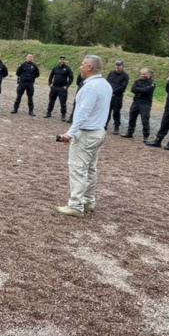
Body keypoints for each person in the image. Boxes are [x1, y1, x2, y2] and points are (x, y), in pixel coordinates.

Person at [56, 55, 113, 218]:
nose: (80, 67)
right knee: (90, 169)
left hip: (87, 133)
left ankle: (75, 205)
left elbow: (83, 113)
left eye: (82, 64)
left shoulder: (90, 87)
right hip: (98, 132)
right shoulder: (105, 85)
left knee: (78, 169)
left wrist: (69, 133)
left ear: (89, 67)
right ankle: (88, 201)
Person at [120, 68, 155, 142]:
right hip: (136, 102)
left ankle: (146, 136)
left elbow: (148, 90)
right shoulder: (137, 81)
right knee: (132, 118)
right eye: (142, 74)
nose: (143, 75)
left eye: (145, 74)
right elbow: (133, 89)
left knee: (145, 120)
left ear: (149, 74)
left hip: (145, 104)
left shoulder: (152, 82)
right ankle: (130, 133)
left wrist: (139, 89)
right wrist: (143, 89)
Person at [45, 55, 73, 121]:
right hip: (54, 87)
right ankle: (48, 113)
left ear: (65, 61)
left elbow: (71, 78)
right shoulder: (55, 68)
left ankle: (63, 115)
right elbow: (51, 76)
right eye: (61, 59)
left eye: (63, 59)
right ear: (59, 60)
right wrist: (50, 84)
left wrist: (67, 86)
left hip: (62, 88)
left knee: (63, 102)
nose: (62, 61)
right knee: (51, 101)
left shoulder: (68, 69)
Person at [106, 60, 129, 134]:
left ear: (122, 66)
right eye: (116, 65)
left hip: (117, 96)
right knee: (106, 111)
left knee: (116, 112)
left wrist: (113, 91)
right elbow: (107, 82)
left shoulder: (125, 75)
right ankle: (104, 124)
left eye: (119, 66)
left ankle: (116, 127)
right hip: (109, 95)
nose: (117, 67)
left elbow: (123, 86)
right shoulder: (111, 73)